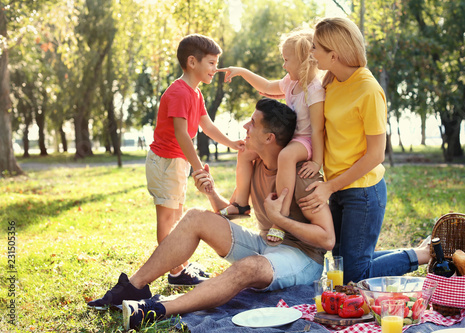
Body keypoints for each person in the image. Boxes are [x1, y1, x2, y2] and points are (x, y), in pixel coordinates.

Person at [86, 98, 335, 330]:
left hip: (302, 258)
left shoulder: (303, 176)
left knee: (250, 267)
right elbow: (236, 211)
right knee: (196, 216)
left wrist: (280, 220)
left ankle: (156, 309)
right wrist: (211, 192)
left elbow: (327, 239)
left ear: (269, 137)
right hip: (265, 245)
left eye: (253, 123)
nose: (246, 126)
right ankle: (134, 287)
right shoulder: (255, 162)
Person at [298, 17, 431, 284]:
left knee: (352, 276)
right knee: (341, 268)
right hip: (338, 188)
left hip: (364, 192)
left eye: (315, 48)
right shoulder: (330, 82)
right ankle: (420, 251)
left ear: (333, 54)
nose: (311, 53)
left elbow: (375, 155)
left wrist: (330, 187)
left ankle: (422, 255)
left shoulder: (369, 90)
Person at [145, 34, 244, 286]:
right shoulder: (178, 92)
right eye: (211, 63)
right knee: (167, 219)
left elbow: (206, 126)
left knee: (177, 216)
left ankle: (180, 264)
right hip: (166, 162)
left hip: (177, 162)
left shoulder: (195, 94)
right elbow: (181, 134)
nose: (216, 69)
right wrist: (199, 169)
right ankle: (176, 271)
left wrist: (231, 143)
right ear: (192, 62)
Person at [217, 28, 325, 246]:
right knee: (246, 152)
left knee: (285, 156)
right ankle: (240, 203)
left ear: (304, 61)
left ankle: (281, 216)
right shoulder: (290, 82)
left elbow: (318, 130)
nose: (284, 65)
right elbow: (266, 86)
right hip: (291, 137)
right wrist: (242, 72)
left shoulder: (314, 90)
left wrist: (316, 161)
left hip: (306, 142)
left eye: (287, 60)